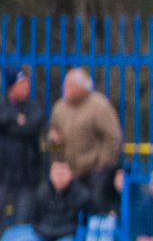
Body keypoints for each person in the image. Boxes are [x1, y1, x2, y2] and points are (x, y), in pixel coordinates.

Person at [45, 68, 122, 213]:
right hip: (69, 171)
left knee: (95, 208)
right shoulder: (60, 107)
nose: (65, 88)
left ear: (82, 87)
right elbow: (53, 138)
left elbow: (113, 137)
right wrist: (55, 145)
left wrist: (101, 163)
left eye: (69, 85)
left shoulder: (99, 106)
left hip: (94, 171)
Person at [0, 67, 45, 238]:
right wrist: (15, 120)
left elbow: (33, 125)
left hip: (26, 172)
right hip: (0, 171)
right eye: (21, 84)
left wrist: (10, 125)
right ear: (11, 87)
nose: (26, 88)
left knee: (24, 216)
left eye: (27, 84)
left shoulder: (33, 108)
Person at [10, 157, 89, 241]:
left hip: (69, 238)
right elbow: (35, 221)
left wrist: (56, 233)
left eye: (63, 172)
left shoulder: (81, 195)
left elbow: (81, 225)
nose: (59, 176)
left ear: (71, 174)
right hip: (46, 238)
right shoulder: (42, 193)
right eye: (56, 172)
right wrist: (45, 232)